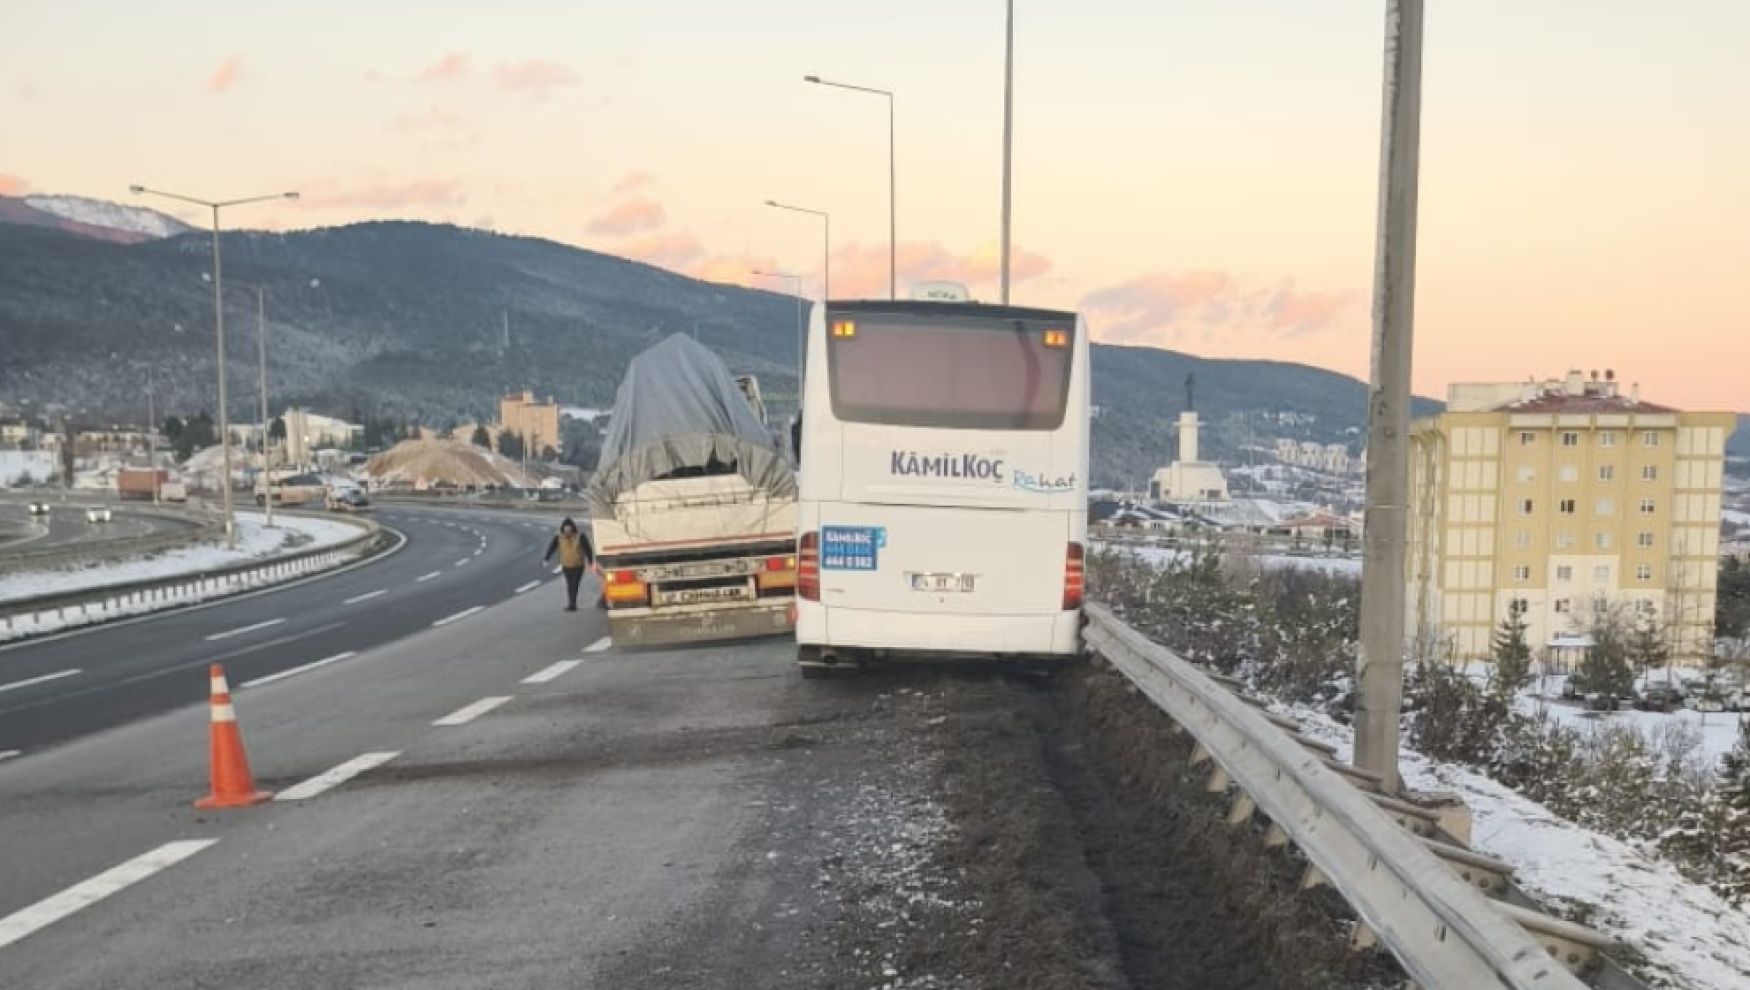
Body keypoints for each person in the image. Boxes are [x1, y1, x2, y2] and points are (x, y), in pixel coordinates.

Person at [543, 517, 596, 611]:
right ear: (563, 528)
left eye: (569, 527)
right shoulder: (559, 537)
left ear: (572, 527)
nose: (567, 529)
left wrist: (590, 561)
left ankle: (572, 604)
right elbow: (552, 547)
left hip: (578, 565)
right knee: (569, 584)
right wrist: (546, 558)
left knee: (574, 584)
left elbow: (588, 549)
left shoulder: (580, 536)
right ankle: (572, 604)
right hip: (566, 565)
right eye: (566, 527)